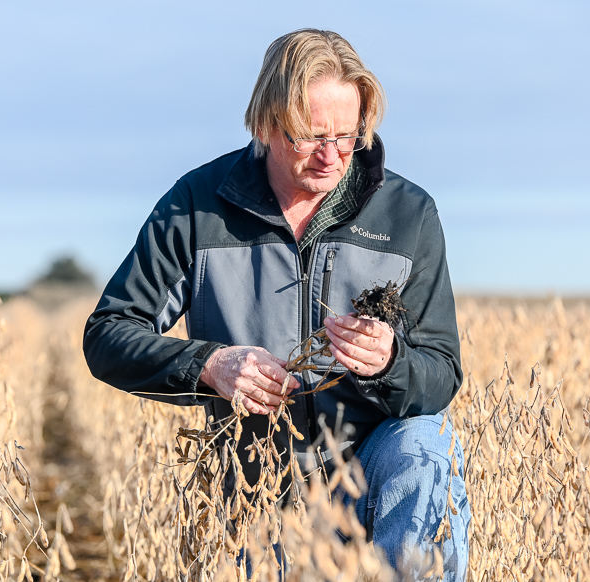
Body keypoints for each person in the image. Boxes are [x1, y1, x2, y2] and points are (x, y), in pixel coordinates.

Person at [83, 29, 470, 579]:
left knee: (427, 443)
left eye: (348, 135)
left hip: (373, 481)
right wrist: (211, 366)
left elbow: (440, 374)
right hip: (258, 496)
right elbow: (108, 333)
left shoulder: (408, 216)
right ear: (265, 123)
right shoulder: (197, 207)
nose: (332, 156)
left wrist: (389, 364)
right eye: (310, 136)